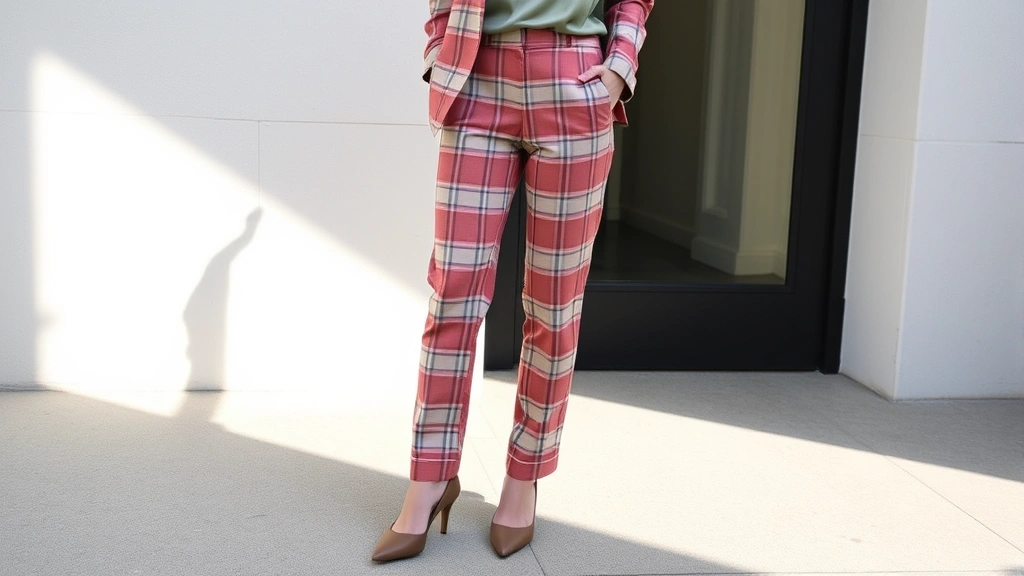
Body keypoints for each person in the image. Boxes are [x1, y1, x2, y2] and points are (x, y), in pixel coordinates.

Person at [372, 0, 654, 562]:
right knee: (453, 293)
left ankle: (523, 477)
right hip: (479, 76)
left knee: (554, 304)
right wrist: (438, 52)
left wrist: (619, 65)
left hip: (573, 78)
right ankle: (430, 477)